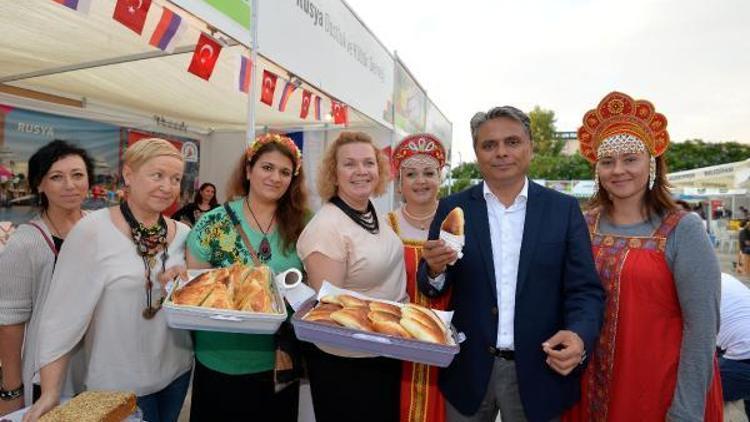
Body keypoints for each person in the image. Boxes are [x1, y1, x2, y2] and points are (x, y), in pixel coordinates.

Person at [418, 106, 605, 422]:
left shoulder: (564, 210)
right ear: (477, 153)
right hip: (469, 370)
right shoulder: (453, 208)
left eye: (512, 142)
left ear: (530, 147)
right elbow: (433, 285)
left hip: (540, 369)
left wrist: (579, 335)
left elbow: (585, 291)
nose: (501, 152)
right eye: (489, 145)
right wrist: (435, 270)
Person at [564, 91, 723, 421]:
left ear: (651, 163)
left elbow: (702, 329)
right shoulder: (582, 224)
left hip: (655, 390)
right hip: (583, 385)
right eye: (607, 161)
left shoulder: (683, 230)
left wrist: (686, 411)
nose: (618, 170)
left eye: (630, 159)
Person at [24, 138, 193, 422]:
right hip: (116, 385)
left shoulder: (184, 234)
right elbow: (61, 317)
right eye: (157, 175)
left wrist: (186, 286)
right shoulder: (92, 231)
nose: (167, 187)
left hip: (176, 373)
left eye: (175, 179)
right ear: (129, 175)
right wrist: (50, 391)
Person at [186, 133, 308, 422]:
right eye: (267, 167)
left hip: (278, 363)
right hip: (218, 360)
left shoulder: (305, 223)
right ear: (248, 170)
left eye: (285, 172)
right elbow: (195, 293)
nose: (275, 177)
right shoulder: (214, 222)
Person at [297, 131, 407, 422]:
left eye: (369, 163)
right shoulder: (327, 228)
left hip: (382, 354)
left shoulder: (373, 213)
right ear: (334, 173)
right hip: (345, 363)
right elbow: (332, 313)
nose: (361, 171)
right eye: (350, 164)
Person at [0, 140, 93, 416]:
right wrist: (11, 390)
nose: (70, 185)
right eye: (56, 177)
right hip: (47, 372)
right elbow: (9, 324)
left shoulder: (99, 229)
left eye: (78, 175)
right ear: (39, 185)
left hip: (97, 366)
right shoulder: (26, 243)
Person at [386, 133, 451, 422]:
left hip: (446, 340)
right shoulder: (385, 226)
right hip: (397, 338)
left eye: (429, 173)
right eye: (411, 174)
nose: (421, 181)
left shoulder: (456, 222)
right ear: (399, 183)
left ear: (440, 177)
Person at [717, 272, 750, 419]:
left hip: (744, 361)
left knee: (691, 392)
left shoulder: (695, 286)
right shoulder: (721, 276)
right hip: (744, 353)